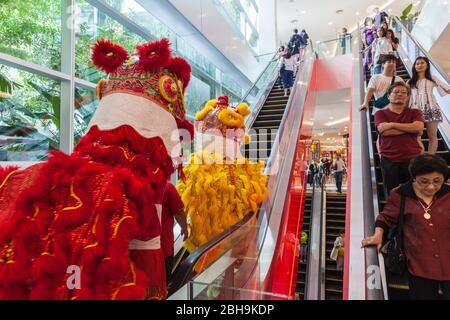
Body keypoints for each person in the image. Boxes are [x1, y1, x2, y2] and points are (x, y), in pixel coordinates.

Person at [362, 154, 450, 300]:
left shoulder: (447, 194)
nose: (431, 186)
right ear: (414, 177)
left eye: (437, 181)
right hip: (419, 264)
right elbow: (386, 217)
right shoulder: (400, 194)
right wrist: (378, 235)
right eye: (424, 181)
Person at [375, 82, 425, 198]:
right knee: (393, 195)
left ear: (407, 97)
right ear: (388, 96)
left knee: (414, 194)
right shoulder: (380, 113)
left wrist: (392, 124)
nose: (400, 95)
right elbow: (385, 131)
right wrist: (410, 129)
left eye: (404, 93)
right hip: (389, 160)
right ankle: (395, 216)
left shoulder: (415, 112)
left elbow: (418, 127)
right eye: (396, 92)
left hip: (413, 159)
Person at [409, 56, 450, 154]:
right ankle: (421, 156)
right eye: (417, 64)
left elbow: (446, 88)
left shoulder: (432, 78)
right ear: (414, 66)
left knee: (432, 135)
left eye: (422, 63)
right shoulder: (410, 82)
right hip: (415, 110)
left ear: (427, 65)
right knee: (417, 135)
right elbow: (407, 98)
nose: (419, 65)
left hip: (431, 108)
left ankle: (431, 157)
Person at [161, 182, 188, 284]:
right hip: (163, 247)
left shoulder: (135, 186)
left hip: (138, 252)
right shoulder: (167, 187)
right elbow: (179, 212)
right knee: (162, 284)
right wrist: (184, 229)